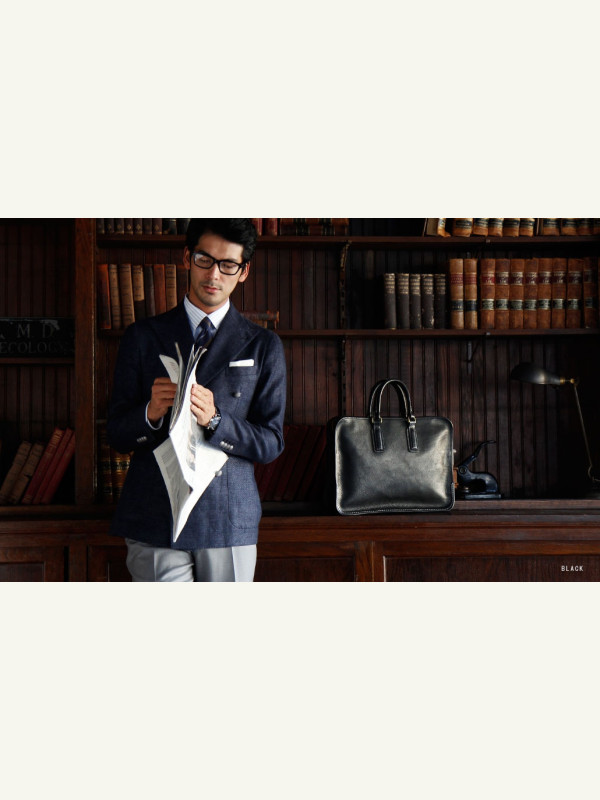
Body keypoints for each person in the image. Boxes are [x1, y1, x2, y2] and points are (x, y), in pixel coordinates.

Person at [107, 218, 287, 581]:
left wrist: (217, 421)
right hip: (154, 515)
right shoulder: (142, 336)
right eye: (205, 260)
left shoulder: (263, 344)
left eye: (228, 265)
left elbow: (271, 443)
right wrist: (151, 413)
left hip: (228, 518)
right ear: (187, 258)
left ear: (244, 271)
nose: (214, 275)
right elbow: (117, 434)